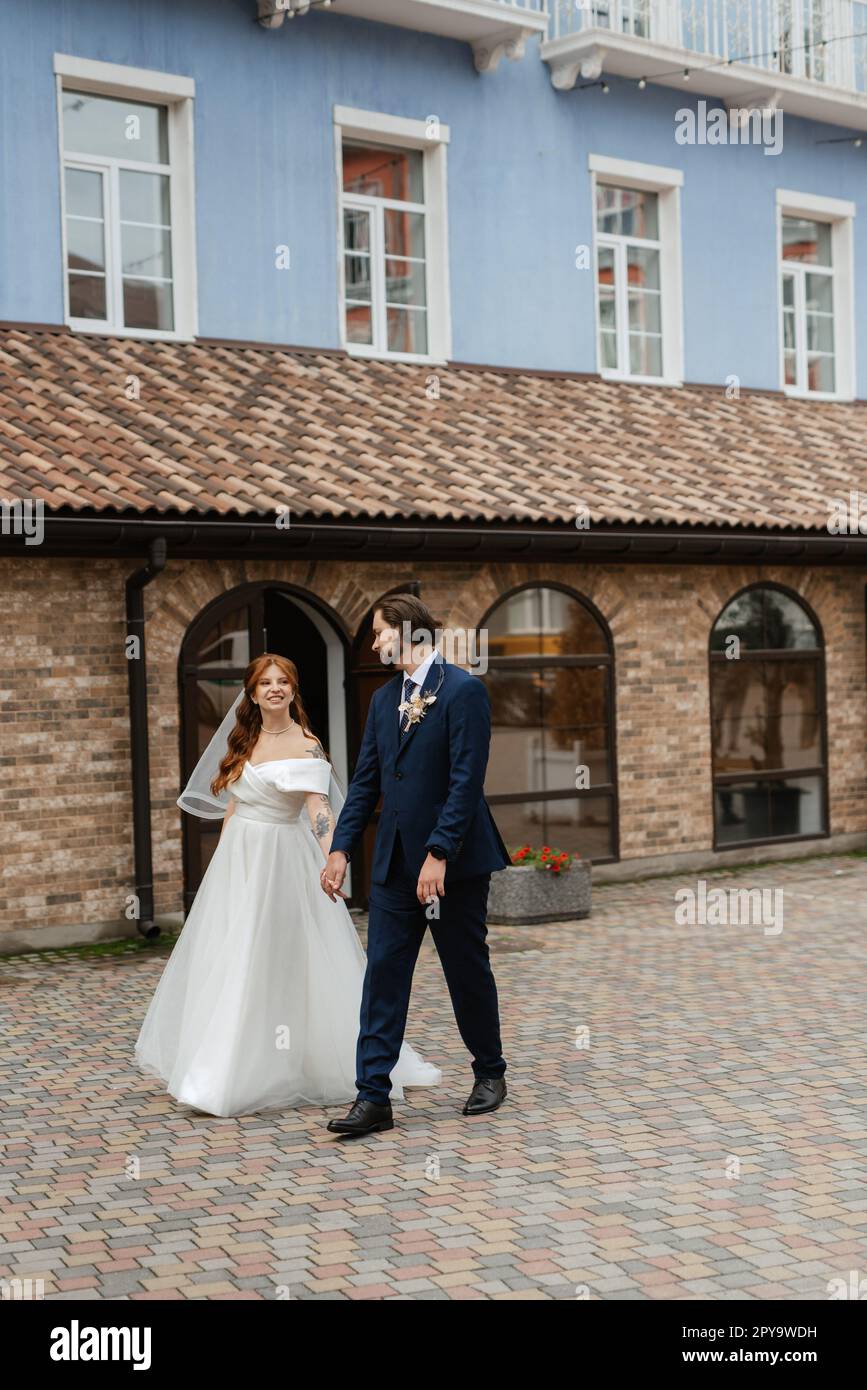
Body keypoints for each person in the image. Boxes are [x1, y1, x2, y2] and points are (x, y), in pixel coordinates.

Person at [133, 652, 441, 1118]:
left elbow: (319, 810)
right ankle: (218, 1065)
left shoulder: (307, 743)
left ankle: (258, 1070)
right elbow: (234, 808)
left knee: (275, 955)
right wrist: (221, 867)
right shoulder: (243, 740)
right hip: (240, 860)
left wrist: (332, 861)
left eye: (283, 682)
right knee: (229, 953)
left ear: (294, 691)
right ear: (252, 694)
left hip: (283, 859)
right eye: (265, 683)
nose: (274, 689)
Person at [321, 594, 511, 1136]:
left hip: (453, 865)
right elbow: (366, 782)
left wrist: (439, 853)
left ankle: (490, 1072)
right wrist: (340, 847)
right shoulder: (384, 700)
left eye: (379, 633)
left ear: (408, 633)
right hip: (393, 868)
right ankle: (373, 1096)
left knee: (465, 970)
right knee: (382, 976)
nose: (375, 643)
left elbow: (465, 782)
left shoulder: (464, 691)